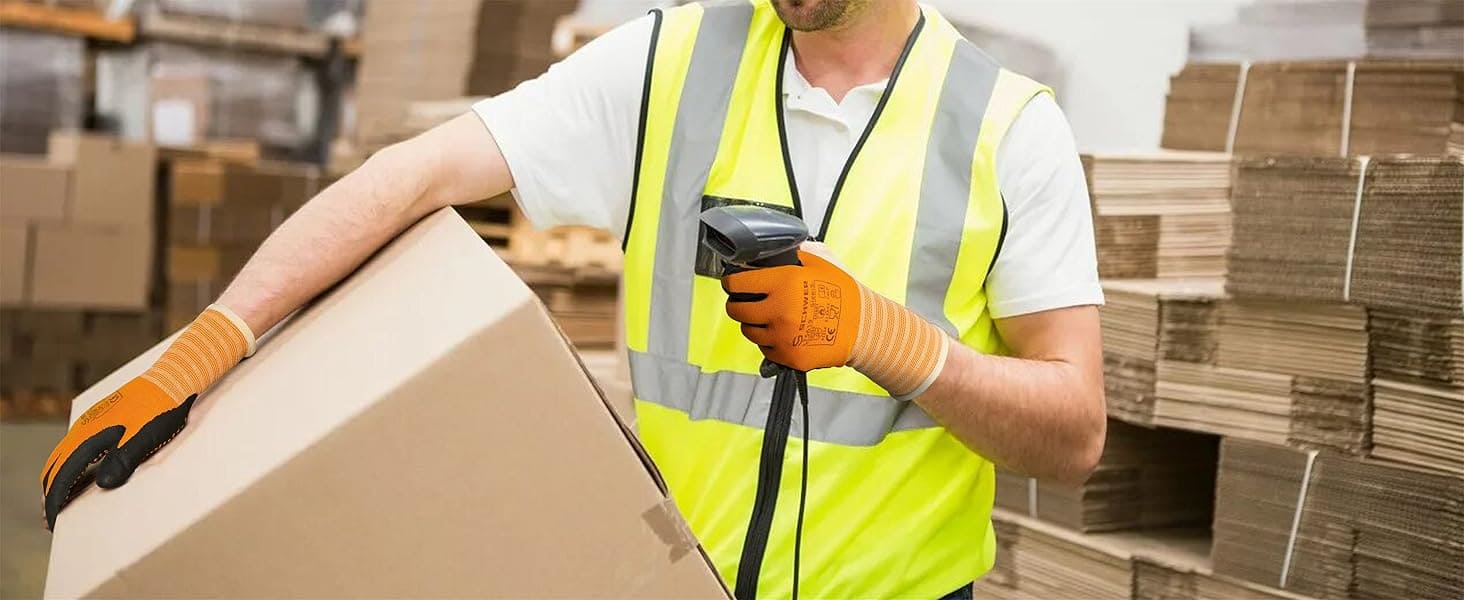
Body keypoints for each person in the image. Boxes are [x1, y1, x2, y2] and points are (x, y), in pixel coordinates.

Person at [41, 0, 1106, 596]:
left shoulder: (1007, 130)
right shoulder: (671, 64)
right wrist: (203, 352)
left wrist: (889, 340)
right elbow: (410, 177)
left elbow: (1074, 434)